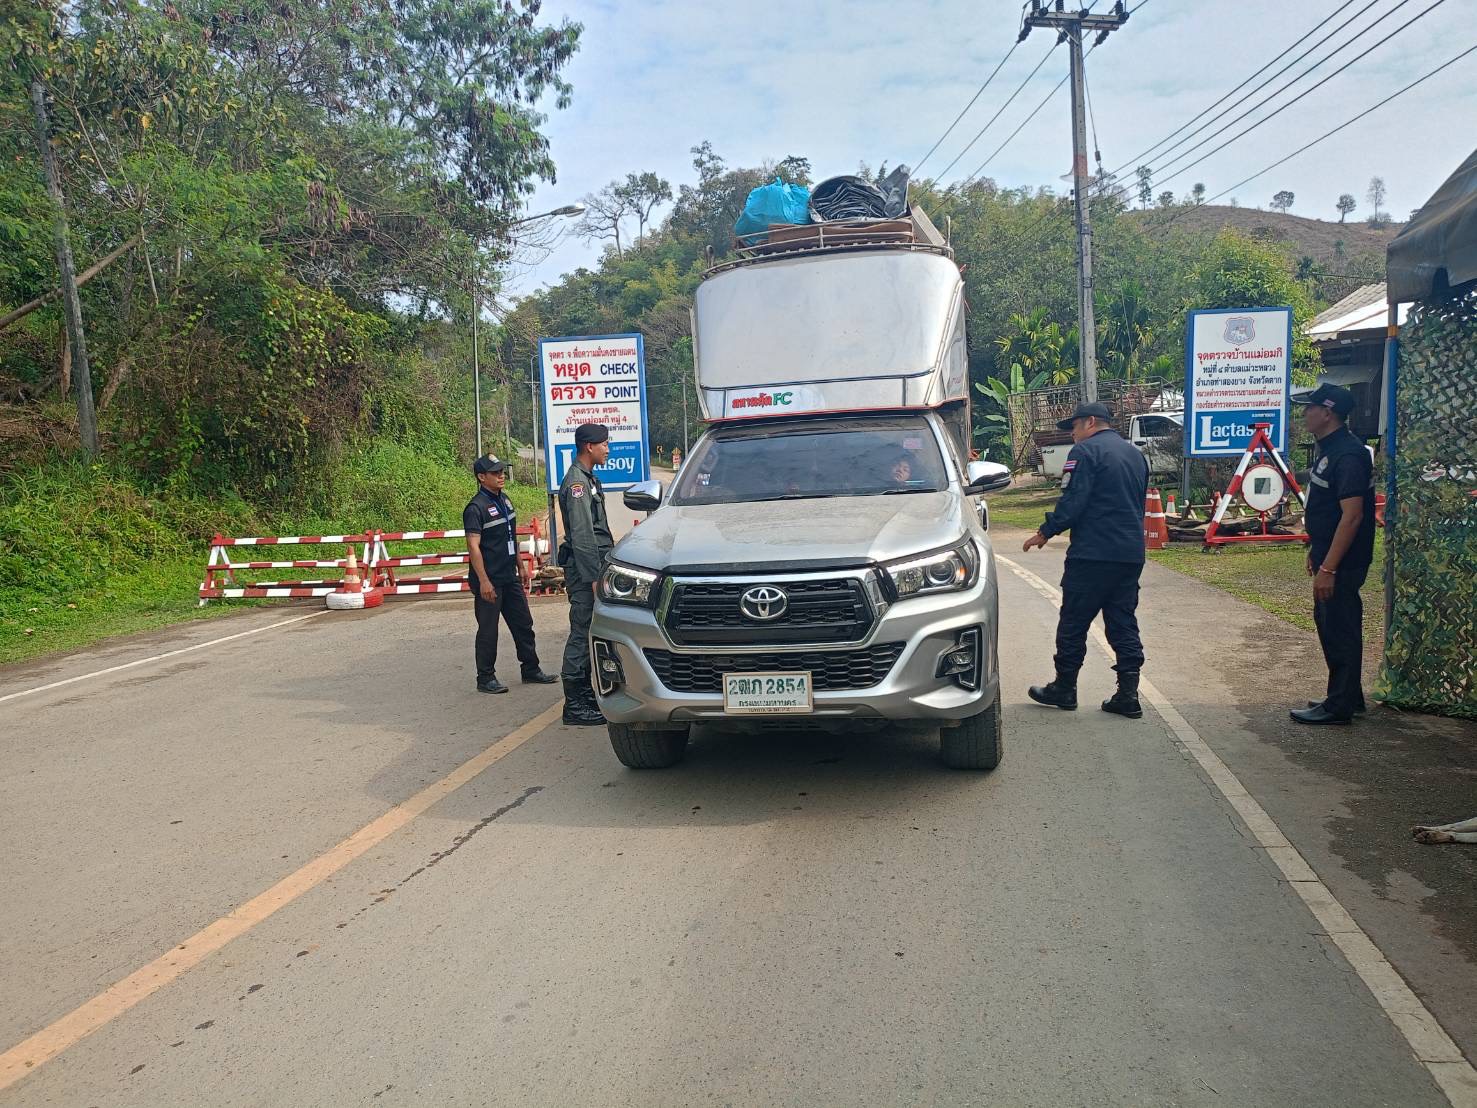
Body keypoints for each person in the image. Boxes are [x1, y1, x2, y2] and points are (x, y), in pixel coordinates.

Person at [1021, 401, 1150, 718]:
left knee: (1074, 621)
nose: (1073, 434)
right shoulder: (1135, 455)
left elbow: (1073, 500)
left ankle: (1064, 688)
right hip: (1130, 553)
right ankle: (1128, 694)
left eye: (1075, 426)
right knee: (1122, 621)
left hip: (1093, 553)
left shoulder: (1085, 452)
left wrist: (1046, 531)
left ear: (1091, 422)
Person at [1291, 384, 1376, 725]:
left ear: (1327, 413)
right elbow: (1327, 510)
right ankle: (1348, 695)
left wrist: (1329, 567)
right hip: (1330, 555)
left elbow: (1352, 516)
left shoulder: (1348, 455)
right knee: (1331, 622)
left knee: (1339, 626)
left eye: (1310, 408)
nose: (1305, 414)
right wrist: (1318, 550)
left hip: (1343, 562)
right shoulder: (1331, 449)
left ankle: (1339, 706)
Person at [463, 454, 557, 694]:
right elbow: (473, 547)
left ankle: (531, 669)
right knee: (488, 630)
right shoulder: (475, 508)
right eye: (495, 473)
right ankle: (485, 678)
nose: (501, 476)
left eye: (502, 471)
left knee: (523, 623)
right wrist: (484, 581)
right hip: (490, 580)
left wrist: (521, 565)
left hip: (509, 576)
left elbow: (510, 536)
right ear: (481, 477)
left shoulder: (505, 501)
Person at [558, 423, 616, 725]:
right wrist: (594, 578)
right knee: (581, 631)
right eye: (604, 444)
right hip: (585, 572)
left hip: (594, 567)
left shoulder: (589, 479)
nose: (608, 449)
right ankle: (575, 704)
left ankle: (587, 696)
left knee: (591, 630)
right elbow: (582, 536)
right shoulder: (577, 484)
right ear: (589, 446)